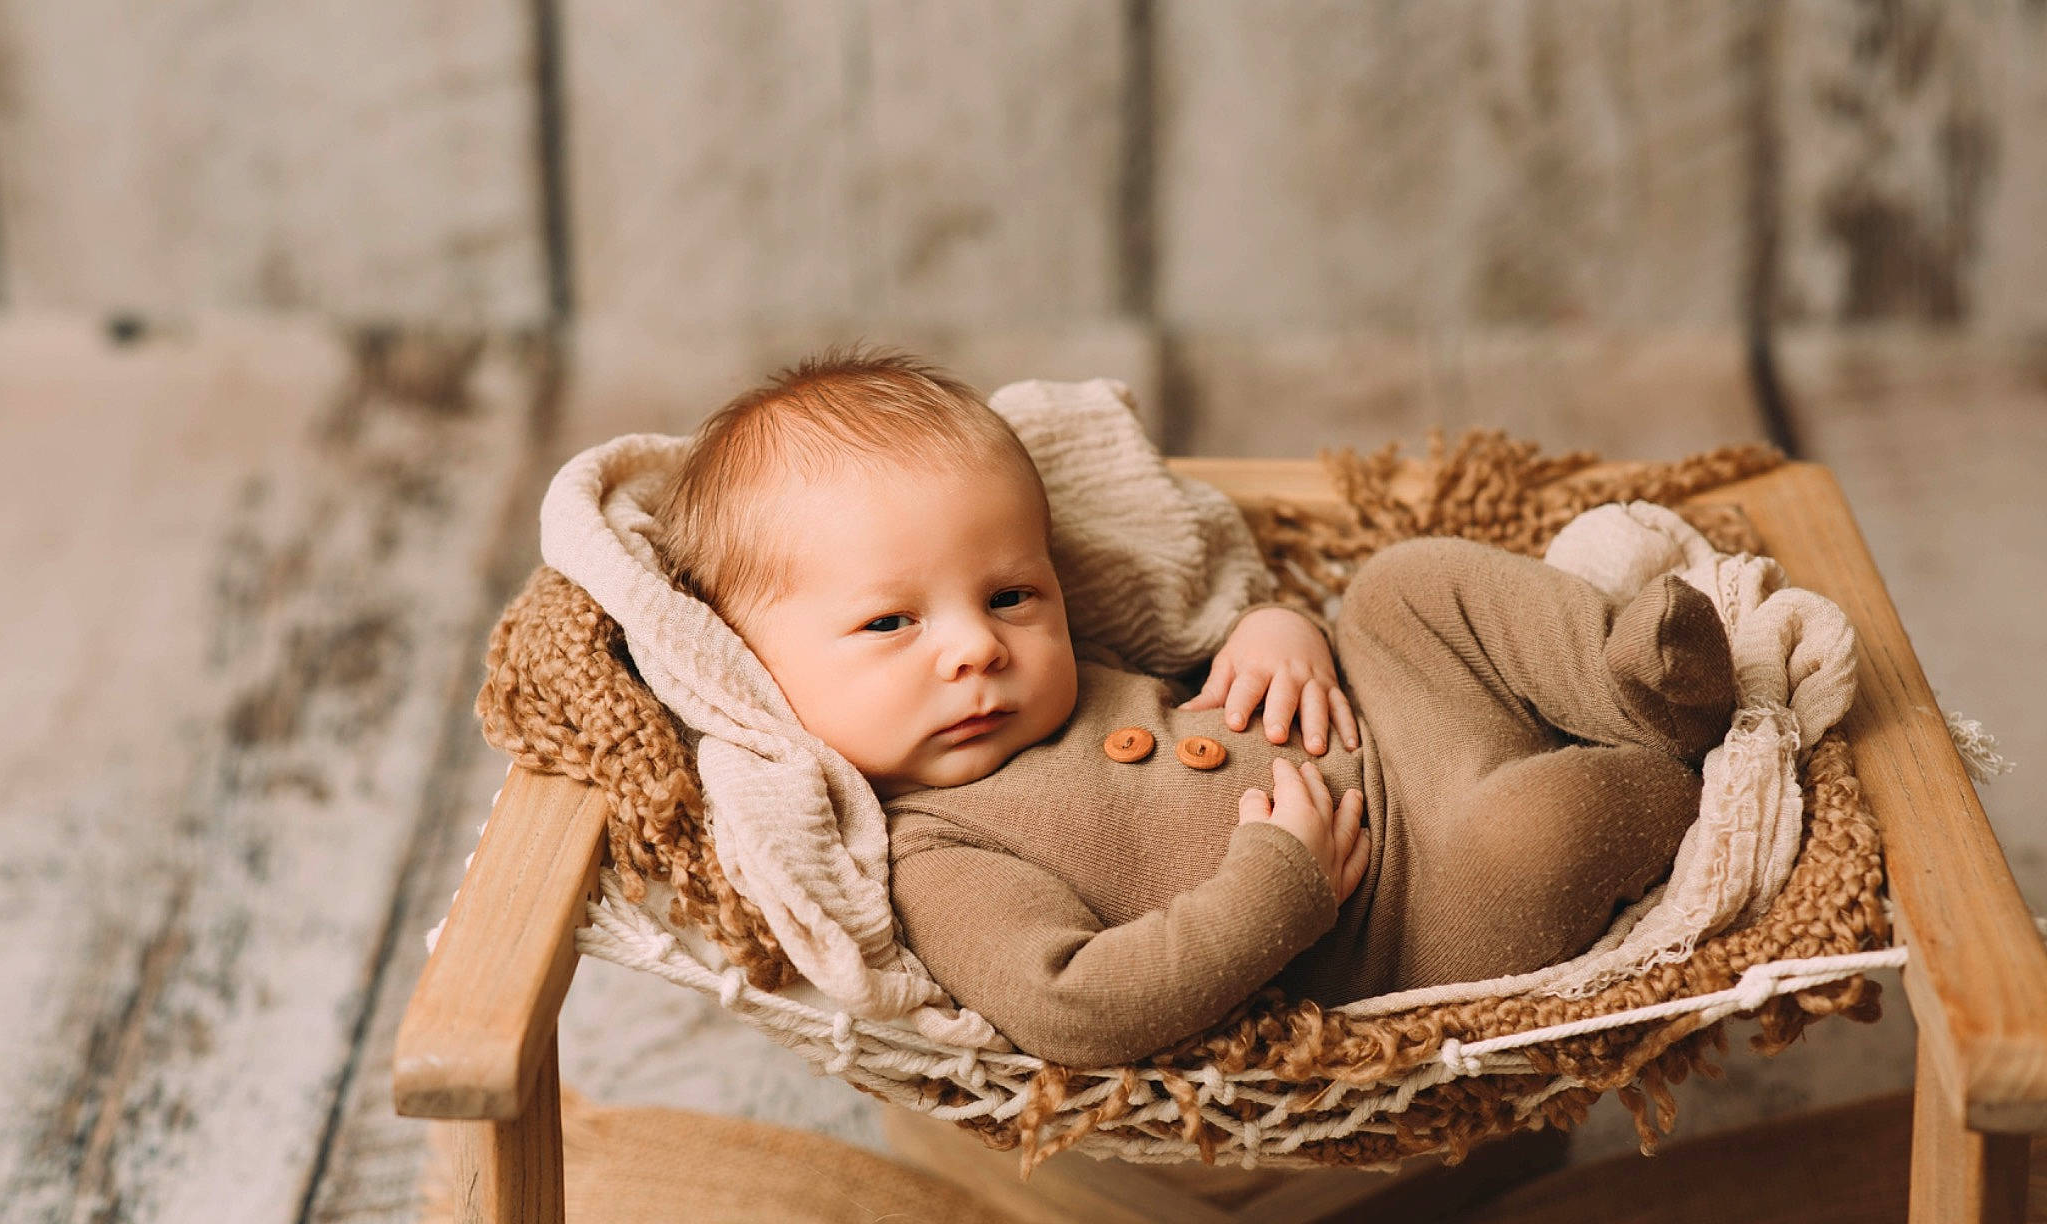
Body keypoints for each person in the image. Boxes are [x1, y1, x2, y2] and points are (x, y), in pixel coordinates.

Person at [651, 347, 1734, 1066]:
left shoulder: (1085, 656)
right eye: (891, 625)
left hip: (1397, 728)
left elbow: (1199, 648)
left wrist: (1271, 631)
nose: (977, 645)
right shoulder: (937, 856)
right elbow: (1079, 1006)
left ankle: (1637, 685)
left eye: (1011, 594)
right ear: (752, 667)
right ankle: (1682, 778)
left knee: (1406, 582)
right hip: (1410, 912)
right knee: (1537, 830)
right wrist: (1279, 886)